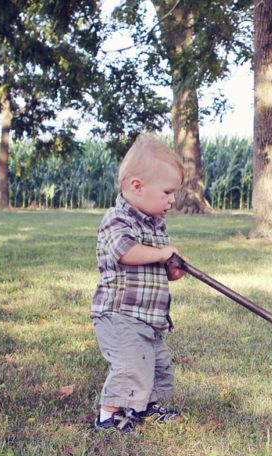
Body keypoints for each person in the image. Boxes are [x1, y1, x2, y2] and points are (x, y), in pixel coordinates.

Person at [90, 134, 188, 432]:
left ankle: (143, 406)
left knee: (155, 363)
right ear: (137, 186)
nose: (172, 199)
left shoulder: (155, 223)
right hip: (121, 315)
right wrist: (160, 253)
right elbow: (125, 252)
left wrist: (171, 268)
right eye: (168, 192)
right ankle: (108, 416)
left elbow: (157, 264)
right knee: (131, 366)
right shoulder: (116, 219)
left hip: (149, 317)